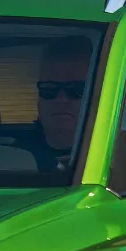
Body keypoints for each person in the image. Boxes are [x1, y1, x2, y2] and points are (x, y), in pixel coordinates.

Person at [35, 35, 96, 174]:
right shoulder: (5, 158)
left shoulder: (120, 156)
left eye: (77, 89)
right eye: (49, 88)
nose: (61, 99)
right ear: (38, 101)